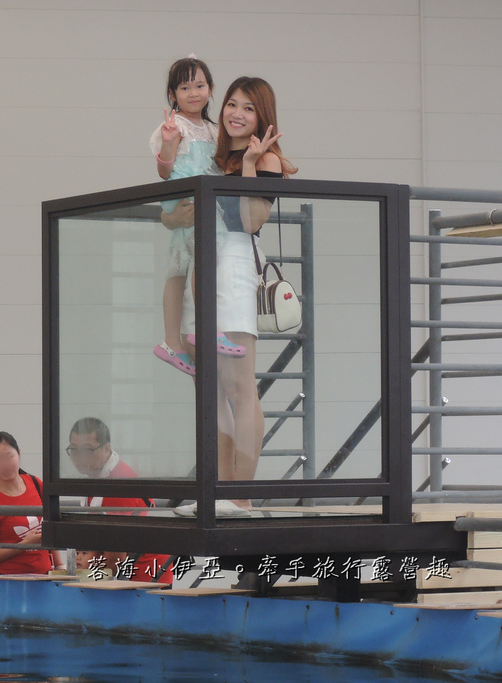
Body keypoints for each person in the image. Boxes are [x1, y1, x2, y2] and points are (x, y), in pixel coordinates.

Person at [174, 77, 297, 518]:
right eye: (232, 104)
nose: (237, 113)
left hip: (234, 271)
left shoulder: (267, 161)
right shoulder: (215, 156)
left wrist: (248, 165)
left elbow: (249, 221)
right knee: (209, 389)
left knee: (240, 388)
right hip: (200, 270)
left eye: (249, 108)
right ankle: (217, 492)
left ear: (263, 118)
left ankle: (240, 496)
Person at [150, 55, 246, 376]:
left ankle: (171, 341)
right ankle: (202, 327)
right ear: (172, 94)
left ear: (211, 89)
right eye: (184, 86)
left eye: (200, 85)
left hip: (198, 201)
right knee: (206, 258)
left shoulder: (212, 129)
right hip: (190, 201)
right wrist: (167, 145)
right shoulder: (173, 126)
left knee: (178, 269)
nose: (193, 92)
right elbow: (164, 171)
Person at [67, 417, 173, 584]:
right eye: (74, 450)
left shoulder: (119, 485)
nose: (79, 458)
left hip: (144, 574)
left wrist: (87, 578)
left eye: (87, 451)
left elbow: (116, 555)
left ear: (106, 449)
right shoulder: (97, 475)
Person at [0, 431, 65, 574]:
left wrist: (59, 566)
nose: (4, 465)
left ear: (19, 454)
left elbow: (49, 526)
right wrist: (23, 545)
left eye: (9, 457)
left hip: (44, 578)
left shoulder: (35, 484)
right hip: (8, 582)